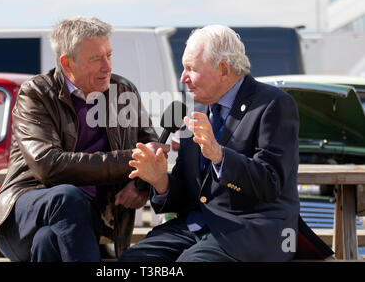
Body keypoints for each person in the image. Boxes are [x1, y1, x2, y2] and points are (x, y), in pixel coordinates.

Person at [0, 16, 166, 262]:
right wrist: (129, 161)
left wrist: (140, 185)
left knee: (48, 241)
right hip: (27, 210)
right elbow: (48, 165)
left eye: (109, 55)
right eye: (96, 59)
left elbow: (149, 147)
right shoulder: (36, 94)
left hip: (87, 217)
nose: (107, 66)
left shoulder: (122, 91)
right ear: (67, 63)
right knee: (67, 198)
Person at [119, 25, 300, 262]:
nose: (183, 78)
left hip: (248, 232)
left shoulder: (274, 104)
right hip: (195, 227)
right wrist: (159, 180)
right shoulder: (198, 109)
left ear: (223, 69)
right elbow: (188, 193)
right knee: (131, 262)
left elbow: (270, 183)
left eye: (191, 69)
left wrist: (220, 156)